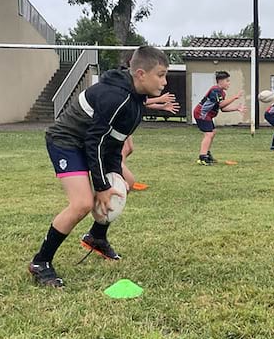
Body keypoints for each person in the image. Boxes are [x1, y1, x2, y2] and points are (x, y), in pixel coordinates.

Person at [29, 46, 170, 287]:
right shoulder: (116, 97)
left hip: (90, 144)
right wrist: (101, 185)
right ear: (140, 74)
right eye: (161, 75)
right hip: (67, 141)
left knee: (125, 183)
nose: (165, 82)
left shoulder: (135, 100)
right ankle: (41, 261)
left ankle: (96, 236)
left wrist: (112, 178)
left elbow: (112, 145)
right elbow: (94, 141)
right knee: (82, 203)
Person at [121, 92, 179, 189]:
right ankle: (119, 177)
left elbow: (143, 102)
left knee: (129, 149)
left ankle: (120, 174)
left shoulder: (140, 90)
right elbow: (138, 101)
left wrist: (162, 107)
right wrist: (159, 99)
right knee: (123, 150)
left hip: (127, 122)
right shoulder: (131, 85)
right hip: (120, 121)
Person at [193, 71, 245, 165]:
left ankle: (207, 154)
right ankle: (202, 158)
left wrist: (236, 108)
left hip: (207, 115)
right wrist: (235, 97)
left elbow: (223, 108)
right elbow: (221, 104)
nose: (229, 83)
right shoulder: (215, 90)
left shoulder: (221, 93)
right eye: (227, 81)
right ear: (220, 81)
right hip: (201, 113)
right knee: (208, 134)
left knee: (212, 132)